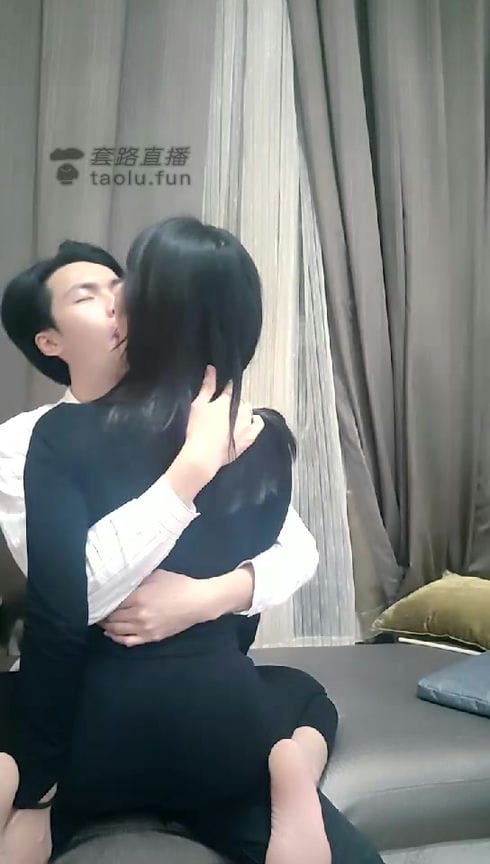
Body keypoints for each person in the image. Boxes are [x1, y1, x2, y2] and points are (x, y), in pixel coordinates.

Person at [0, 222, 383, 864]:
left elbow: (296, 551)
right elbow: (72, 596)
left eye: (121, 284)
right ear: (49, 340)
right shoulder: (27, 438)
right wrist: (190, 472)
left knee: (294, 690)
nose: (116, 301)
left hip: (120, 708)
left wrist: (205, 598)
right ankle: (288, 764)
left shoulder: (213, 424)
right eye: (88, 295)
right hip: (179, 701)